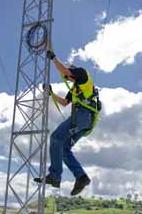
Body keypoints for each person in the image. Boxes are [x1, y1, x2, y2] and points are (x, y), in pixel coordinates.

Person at [34, 50, 101, 195]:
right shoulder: (75, 88)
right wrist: (51, 93)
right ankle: (81, 177)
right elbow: (65, 102)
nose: (67, 77)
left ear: (73, 71)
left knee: (56, 137)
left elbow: (64, 70)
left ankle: (54, 176)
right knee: (63, 148)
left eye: (69, 74)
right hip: (84, 122)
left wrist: (53, 58)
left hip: (83, 116)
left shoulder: (82, 74)